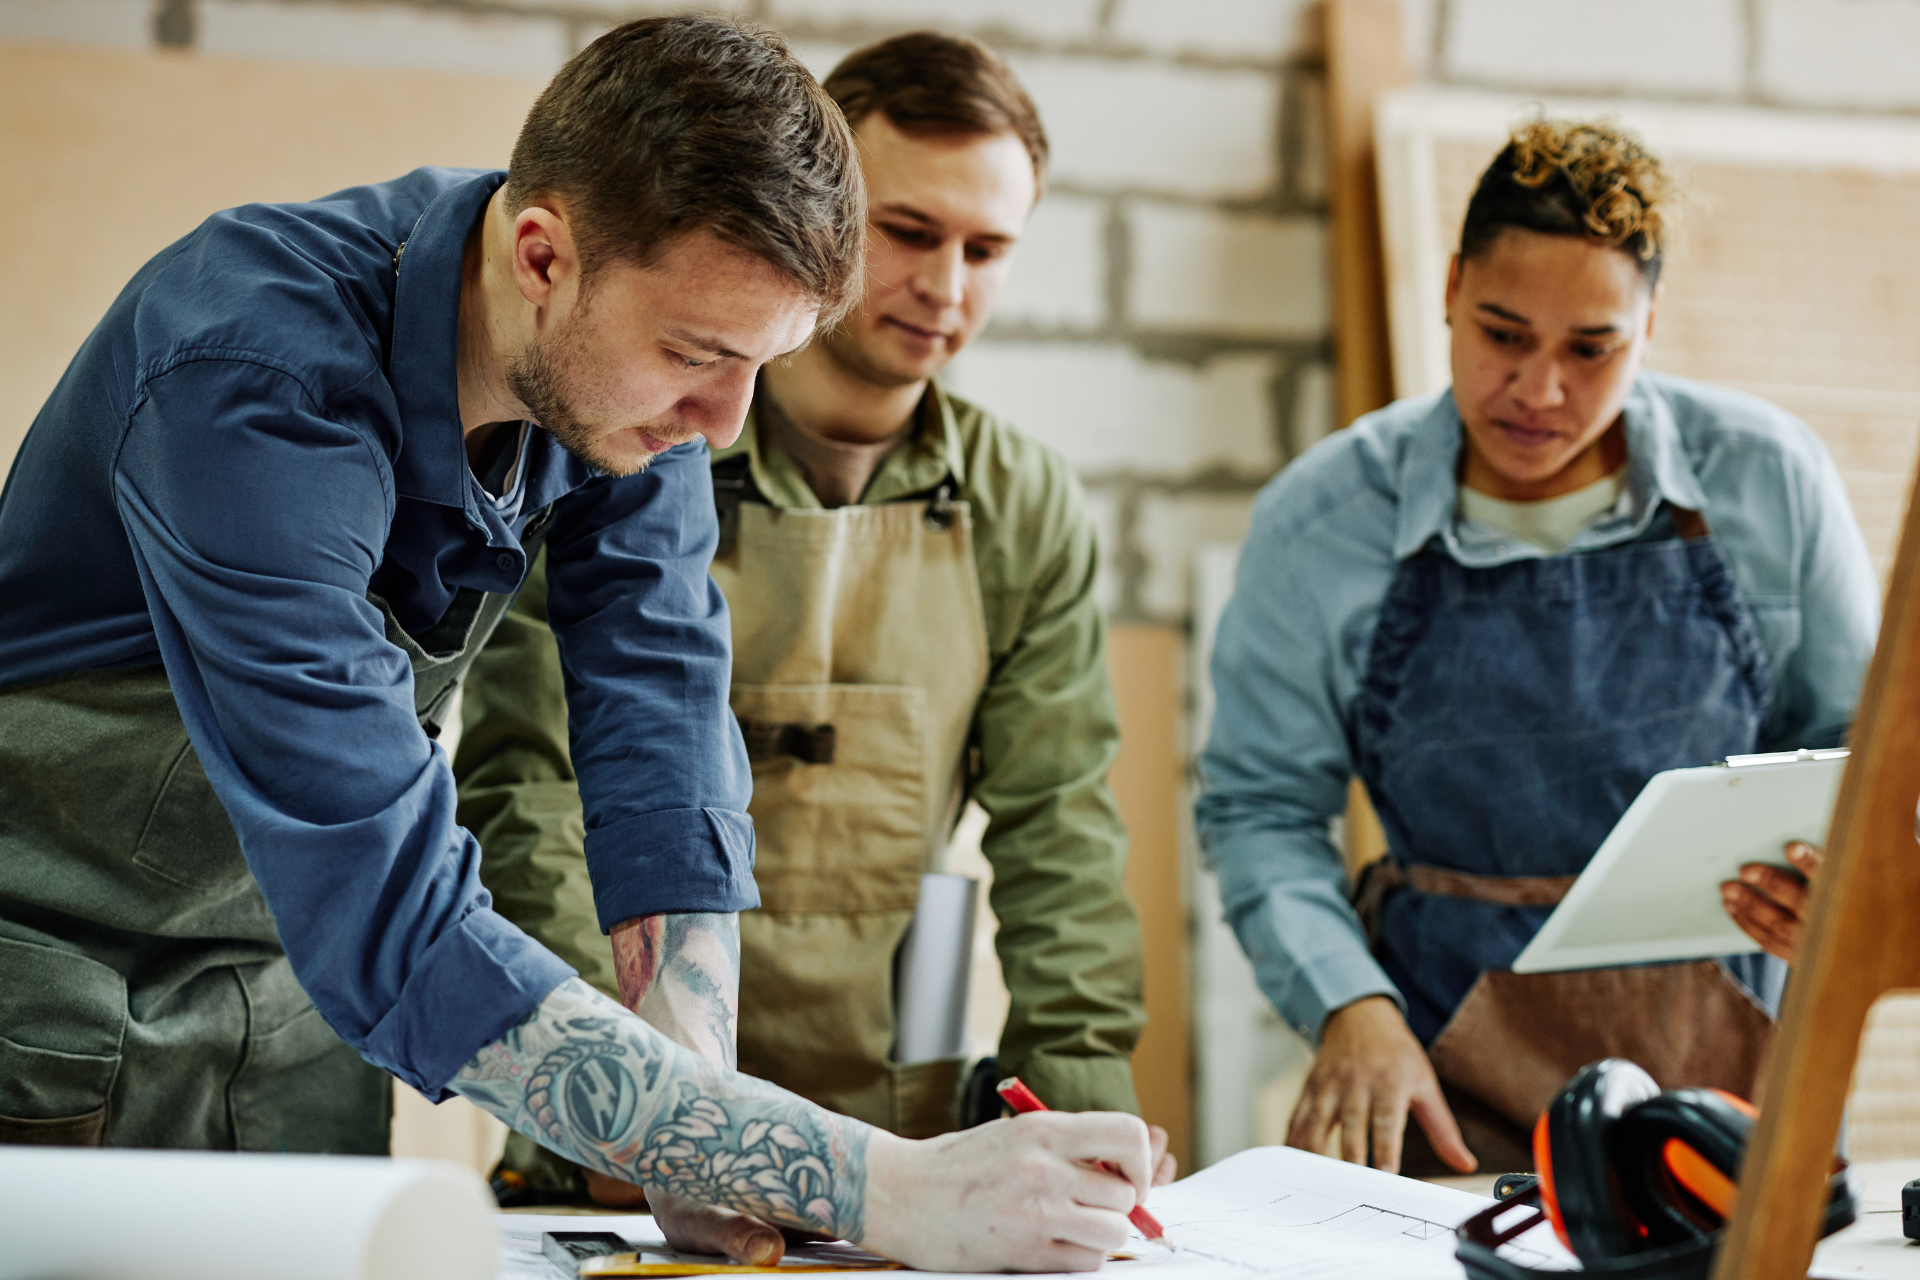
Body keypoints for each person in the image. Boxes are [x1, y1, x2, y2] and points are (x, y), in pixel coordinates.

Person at [0, 17, 1161, 1272]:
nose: (723, 427)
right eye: (700, 357)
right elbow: (386, 901)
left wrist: (695, 1126)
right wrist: (879, 1182)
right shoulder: (249, 378)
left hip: (290, 1012)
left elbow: (660, 716)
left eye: (760, 367)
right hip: (58, 994)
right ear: (542, 256)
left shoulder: (627, 392)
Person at [456, 30, 1154, 1202]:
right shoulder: (629, 429)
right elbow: (532, 788)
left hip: (897, 1114)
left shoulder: (1022, 506)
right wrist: (614, 1107)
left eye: (988, 249)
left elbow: (1061, 836)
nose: (946, 286)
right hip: (622, 1113)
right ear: (819, 214)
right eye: (911, 232)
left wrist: (1083, 1106)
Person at [1196, 119, 1879, 1178]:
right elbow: (1261, 810)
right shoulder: (1324, 517)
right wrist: (1348, 1002)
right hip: (1439, 1090)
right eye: (1503, 333)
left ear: (1650, 325)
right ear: (1452, 285)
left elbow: (1862, 758)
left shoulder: (1769, 478)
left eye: (1591, 348)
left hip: (1735, 1086)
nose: (1541, 389)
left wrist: (1844, 879)